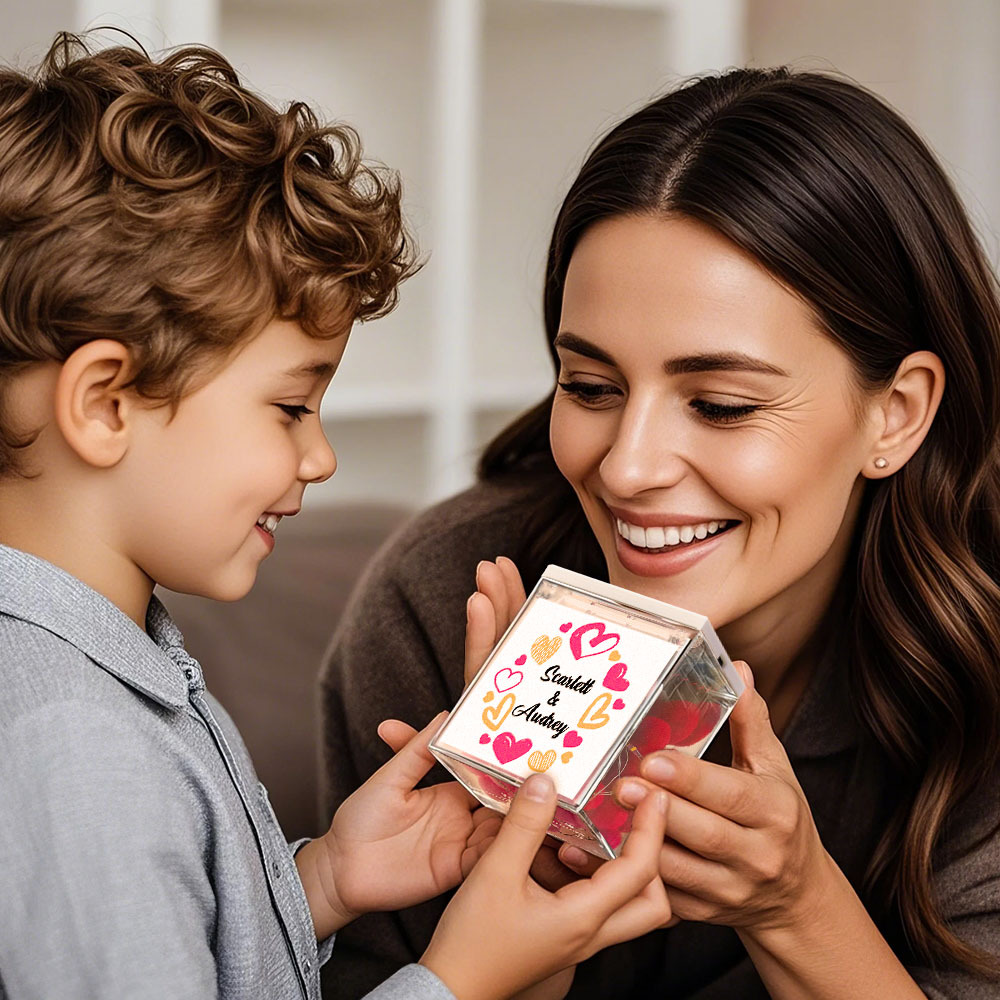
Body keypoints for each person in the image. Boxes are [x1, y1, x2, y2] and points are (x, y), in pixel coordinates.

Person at [0, 35, 676, 1000]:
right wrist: (457, 980)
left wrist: (318, 881)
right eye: (289, 408)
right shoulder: (76, 750)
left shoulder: (94, 677)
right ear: (106, 404)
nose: (318, 457)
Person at [320, 66, 1000, 999]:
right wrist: (519, 916)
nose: (628, 467)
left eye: (720, 404)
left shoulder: (984, 668)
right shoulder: (445, 598)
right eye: (591, 388)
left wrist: (797, 907)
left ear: (898, 414)